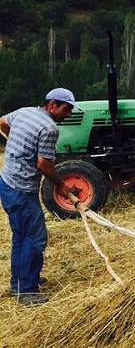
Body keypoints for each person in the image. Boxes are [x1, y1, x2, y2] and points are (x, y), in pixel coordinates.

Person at [0, 88, 76, 306]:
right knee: (35, 238)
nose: (68, 114)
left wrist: (13, 143)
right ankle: (27, 291)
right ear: (52, 104)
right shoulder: (49, 127)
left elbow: (2, 122)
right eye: (66, 109)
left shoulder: (24, 112)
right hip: (22, 190)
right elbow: (43, 164)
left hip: (6, 183)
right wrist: (61, 185)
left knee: (20, 236)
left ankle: (19, 282)